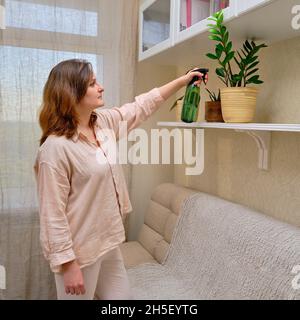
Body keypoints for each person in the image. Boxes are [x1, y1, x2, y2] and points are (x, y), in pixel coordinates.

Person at [34, 59, 207, 300]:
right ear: (71, 94)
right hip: (80, 253)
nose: (101, 87)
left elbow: (142, 106)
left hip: (108, 242)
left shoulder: (102, 123)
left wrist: (182, 81)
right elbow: (52, 214)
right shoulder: (55, 149)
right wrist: (68, 265)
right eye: (93, 83)